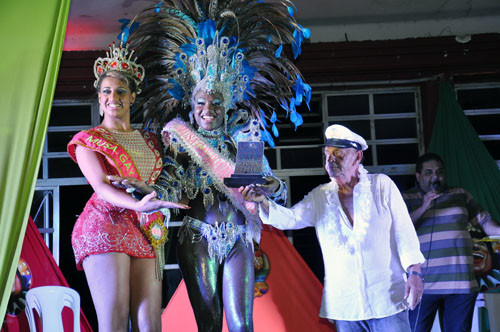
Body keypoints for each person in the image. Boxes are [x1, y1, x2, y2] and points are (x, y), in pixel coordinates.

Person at [107, 1, 311, 331]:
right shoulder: (180, 137)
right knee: (209, 323)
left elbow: (261, 185)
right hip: (196, 237)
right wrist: (152, 190)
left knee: (242, 325)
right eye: (201, 101)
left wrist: (268, 188)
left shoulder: (244, 134)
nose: (208, 108)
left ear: (227, 103)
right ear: (191, 103)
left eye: (216, 101)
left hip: (239, 238)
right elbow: (171, 182)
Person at [240, 124, 426, 332]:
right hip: (345, 306)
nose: (330, 160)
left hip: (387, 298)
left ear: (357, 157)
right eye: (327, 154)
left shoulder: (382, 185)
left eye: (339, 155)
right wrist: (262, 201)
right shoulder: (321, 195)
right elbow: (290, 219)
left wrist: (415, 273)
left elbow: (404, 231)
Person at [67, 42, 188, 332]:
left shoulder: (151, 140)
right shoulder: (88, 139)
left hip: (145, 227)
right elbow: (100, 186)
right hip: (105, 223)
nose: (113, 97)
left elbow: (162, 183)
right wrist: (136, 203)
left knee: (150, 323)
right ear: (99, 98)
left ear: (133, 96)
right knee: (116, 322)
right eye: (106, 91)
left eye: (121, 91)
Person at [402, 152, 500, 332]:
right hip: (422, 285)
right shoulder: (406, 198)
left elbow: (485, 223)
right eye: (429, 172)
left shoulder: (460, 194)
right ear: (418, 176)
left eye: (439, 172)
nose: (435, 177)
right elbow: (399, 231)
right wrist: (424, 206)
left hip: (460, 284)